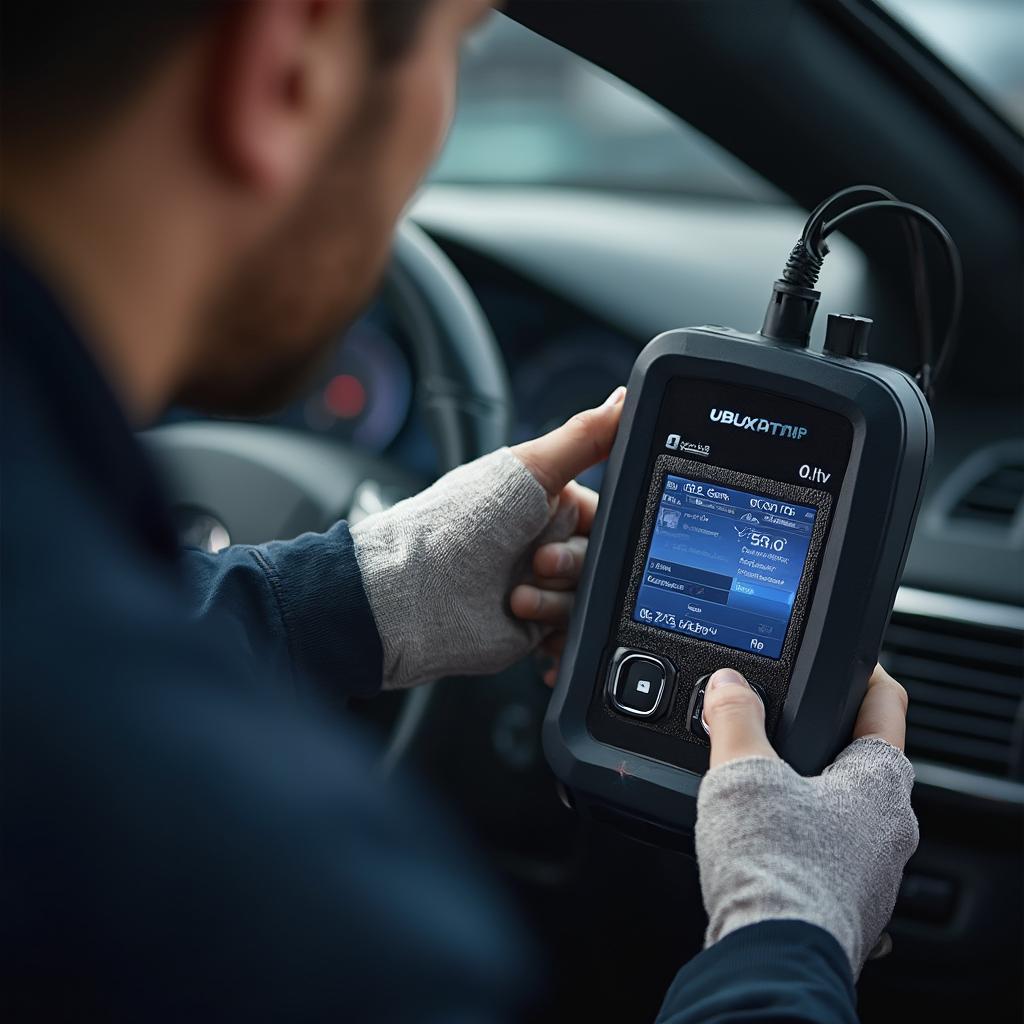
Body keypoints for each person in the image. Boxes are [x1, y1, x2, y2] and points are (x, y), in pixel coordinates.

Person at [0, 1, 918, 1021]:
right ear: (287, 63)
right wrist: (785, 935)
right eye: (460, 44)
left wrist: (358, 594)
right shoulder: (299, 916)